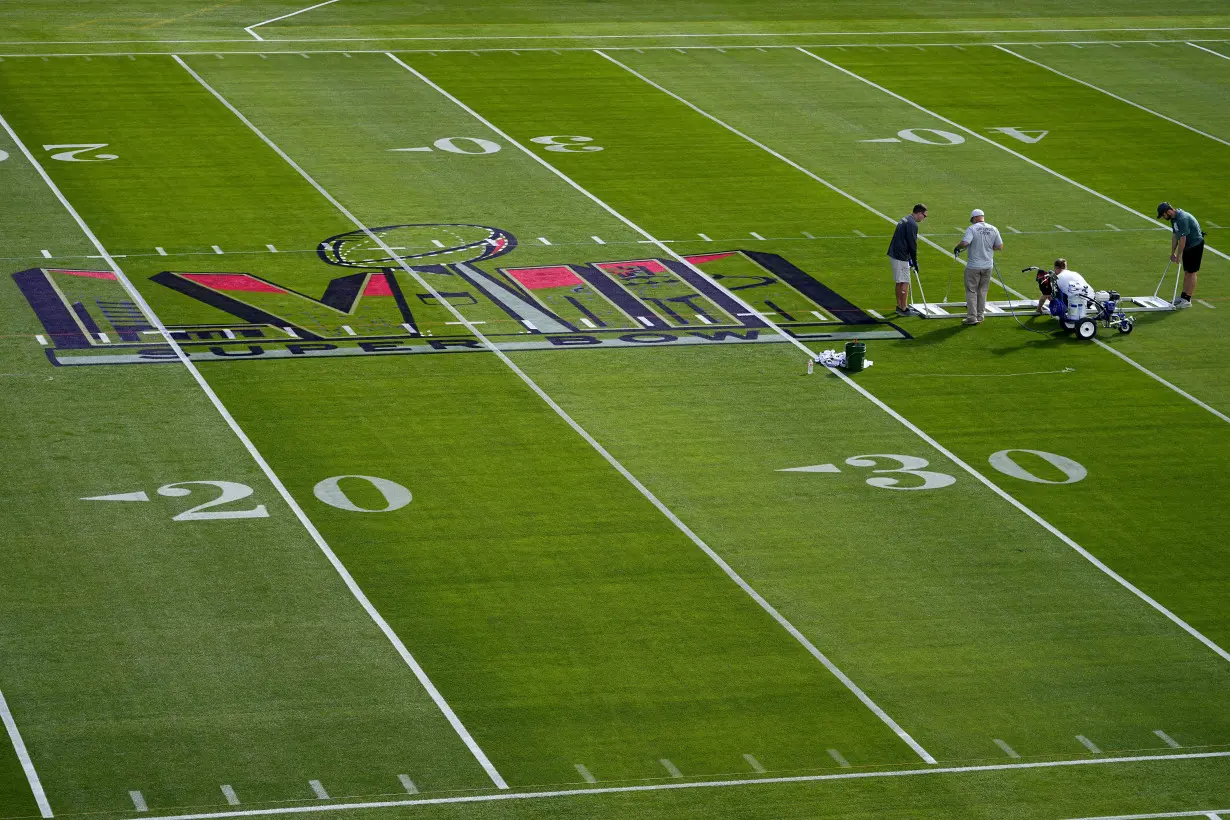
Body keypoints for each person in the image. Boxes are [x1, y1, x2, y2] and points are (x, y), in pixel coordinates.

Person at [953, 208, 1004, 325]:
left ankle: (972, 317)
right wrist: (989, 249)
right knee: (982, 291)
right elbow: (999, 246)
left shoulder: (972, 229)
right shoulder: (993, 228)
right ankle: (980, 316)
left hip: (974, 266)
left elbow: (965, 243)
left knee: (971, 291)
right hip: (988, 266)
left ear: (975, 218)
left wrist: (957, 247)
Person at [1157, 202, 1204, 308]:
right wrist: (1172, 252)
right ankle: (1183, 296)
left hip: (1195, 245)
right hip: (1188, 245)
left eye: (1163, 215)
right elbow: (1175, 236)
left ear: (1168, 211)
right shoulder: (1174, 219)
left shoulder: (1182, 218)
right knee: (1187, 272)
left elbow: (1183, 239)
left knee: (1192, 272)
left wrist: (1178, 256)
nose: (1163, 217)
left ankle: (1187, 299)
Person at [887, 203, 927, 316]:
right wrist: (914, 261)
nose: (924, 218)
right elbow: (912, 244)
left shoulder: (905, 219)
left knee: (899, 281)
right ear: (919, 213)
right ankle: (903, 308)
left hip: (895, 253)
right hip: (901, 255)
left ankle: (900, 306)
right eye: (924, 216)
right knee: (905, 281)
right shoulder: (912, 224)